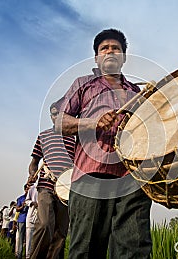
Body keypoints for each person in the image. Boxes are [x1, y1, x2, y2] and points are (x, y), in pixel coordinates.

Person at [56, 28, 152, 259]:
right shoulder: (83, 84)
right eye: (104, 48)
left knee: (134, 248)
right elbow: (60, 122)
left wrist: (154, 100)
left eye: (116, 48)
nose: (110, 51)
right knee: (86, 249)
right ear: (97, 57)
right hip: (91, 175)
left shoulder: (136, 92)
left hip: (132, 177)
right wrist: (93, 123)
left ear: (124, 57)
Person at [28, 99, 75, 259]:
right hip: (46, 185)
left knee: (61, 232)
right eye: (54, 114)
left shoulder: (74, 138)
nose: (57, 117)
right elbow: (34, 162)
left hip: (66, 190)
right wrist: (31, 175)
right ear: (50, 116)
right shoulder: (43, 136)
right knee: (46, 224)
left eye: (60, 114)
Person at [16, 183, 30, 259]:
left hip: (30, 220)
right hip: (21, 220)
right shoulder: (20, 198)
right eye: (27, 189)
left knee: (29, 239)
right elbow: (17, 209)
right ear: (25, 189)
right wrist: (22, 206)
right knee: (21, 239)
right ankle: (20, 255)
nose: (28, 190)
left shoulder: (32, 198)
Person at [25, 181, 38, 259]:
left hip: (41, 217)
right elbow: (26, 201)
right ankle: (28, 256)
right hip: (32, 215)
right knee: (29, 238)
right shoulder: (32, 188)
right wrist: (32, 203)